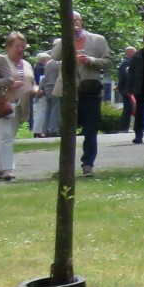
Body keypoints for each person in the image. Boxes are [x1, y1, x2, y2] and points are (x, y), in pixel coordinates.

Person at [51, 11, 115, 176]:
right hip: (68, 91)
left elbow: (108, 62)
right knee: (67, 130)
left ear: (82, 21)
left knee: (90, 129)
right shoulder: (62, 41)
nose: (73, 24)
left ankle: (88, 164)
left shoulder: (98, 40)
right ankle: (65, 166)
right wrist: (68, 37)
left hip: (89, 90)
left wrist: (91, 60)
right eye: (69, 21)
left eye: (76, 20)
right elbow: (55, 56)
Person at [0, 33, 33, 182]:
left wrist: (34, 88)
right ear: (9, 46)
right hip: (4, 103)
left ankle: (1, 167)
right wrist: (10, 84)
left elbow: (31, 80)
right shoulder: (2, 61)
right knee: (4, 137)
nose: (21, 49)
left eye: (23, 46)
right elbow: (4, 81)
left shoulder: (26, 64)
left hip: (22, 104)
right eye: (17, 46)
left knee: (9, 136)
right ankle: (5, 169)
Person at [36, 52, 61, 139]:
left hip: (47, 88)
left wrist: (40, 88)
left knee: (48, 109)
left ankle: (45, 129)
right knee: (56, 109)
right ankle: (53, 130)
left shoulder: (49, 63)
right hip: (56, 87)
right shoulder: (59, 63)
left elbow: (44, 77)